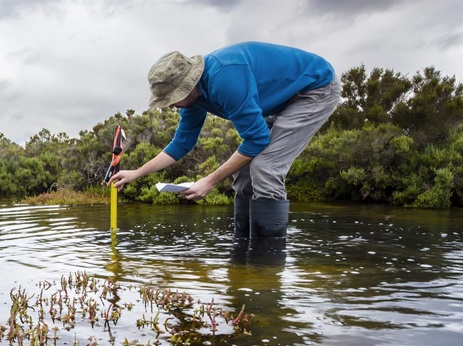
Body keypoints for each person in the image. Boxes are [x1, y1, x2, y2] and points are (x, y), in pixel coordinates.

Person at [109, 41, 341, 239]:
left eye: (173, 98)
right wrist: (137, 172)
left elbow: (257, 140)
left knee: (265, 166)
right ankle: (242, 251)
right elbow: (182, 143)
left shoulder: (225, 79)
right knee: (243, 172)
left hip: (314, 89)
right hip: (280, 100)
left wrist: (210, 181)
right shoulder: (194, 99)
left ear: (188, 86)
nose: (171, 105)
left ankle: (266, 262)